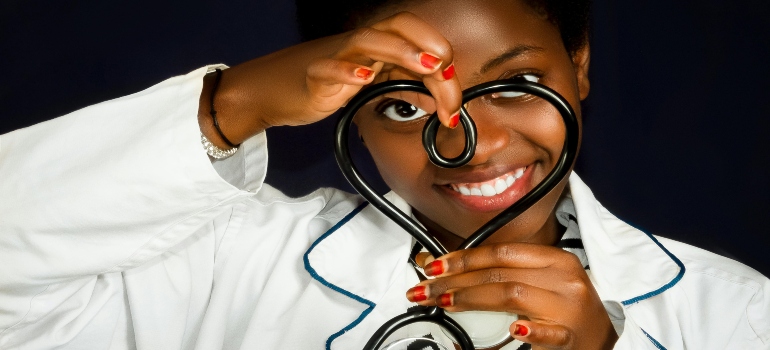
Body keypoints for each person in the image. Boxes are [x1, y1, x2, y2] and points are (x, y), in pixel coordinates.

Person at [1, 0, 768, 349]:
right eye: (403, 107)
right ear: (346, 114)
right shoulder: (217, 263)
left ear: (580, 66)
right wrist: (233, 103)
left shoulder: (738, 317)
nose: (467, 144)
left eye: (511, 85)